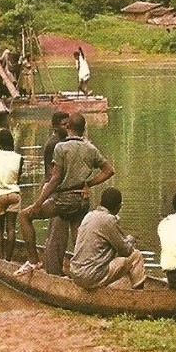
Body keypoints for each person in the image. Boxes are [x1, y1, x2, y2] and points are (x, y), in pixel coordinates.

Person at [17, 112, 114, 275]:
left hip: (65, 200)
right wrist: (88, 183)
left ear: (68, 126)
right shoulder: (90, 148)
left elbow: (54, 179)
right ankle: (84, 271)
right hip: (82, 201)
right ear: (84, 129)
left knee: (24, 216)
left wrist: (38, 203)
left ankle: (34, 262)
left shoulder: (60, 147)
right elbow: (109, 170)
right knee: (78, 237)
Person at [69, 187, 146, 290]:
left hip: (76, 273)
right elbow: (126, 251)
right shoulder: (108, 220)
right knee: (136, 256)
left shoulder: (89, 215)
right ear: (118, 207)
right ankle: (139, 296)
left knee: (111, 254)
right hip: (91, 277)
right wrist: (130, 239)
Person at [42, 111, 72, 276]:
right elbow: (51, 174)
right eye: (63, 124)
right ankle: (53, 273)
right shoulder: (54, 145)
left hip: (61, 191)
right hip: (55, 192)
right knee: (57, 235)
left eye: (68, 124)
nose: (67, 127)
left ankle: (54, 269)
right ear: (54, 127)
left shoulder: (63, 143)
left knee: (59, 234)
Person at [0, 129, 23, 259]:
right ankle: (8, 258)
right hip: (14, 194)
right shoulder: (19, 158)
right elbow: (18, 178)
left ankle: (1, 257)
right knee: (11, 228)